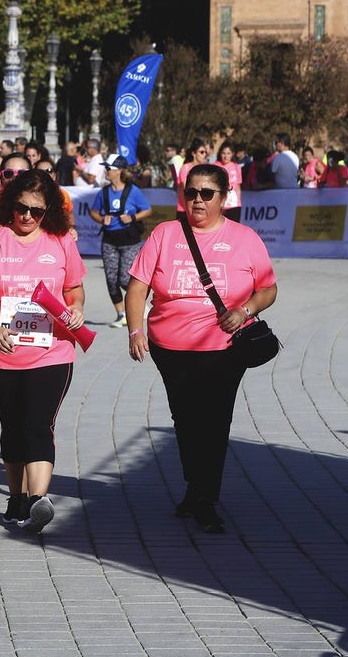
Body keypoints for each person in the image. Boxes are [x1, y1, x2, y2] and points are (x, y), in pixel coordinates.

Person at [125, 163, 277, 534]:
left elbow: (268, 288)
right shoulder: (164, 233)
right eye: (190, 192)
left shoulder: (245, 238)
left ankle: (205, 497)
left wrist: (245, 311)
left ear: (224, 198)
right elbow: (137, 288)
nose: (197, 200)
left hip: (224, 348)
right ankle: (196, 486)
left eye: (206, 194)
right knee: (186, 420)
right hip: (170, 348)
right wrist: (134, 330)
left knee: (214, 421)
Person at [0, 169, 86, 533]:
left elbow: (75, 289)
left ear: (47, 211)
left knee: (38, 423)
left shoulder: (61, 240)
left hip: (52, 352)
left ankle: (38, 501)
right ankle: (16, 496)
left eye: (36, 211)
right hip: (1, 351)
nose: (27, 216)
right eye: (20, 208)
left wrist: (77, 307)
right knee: (13, 427)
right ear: (9, 206)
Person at [89, 155, 152, 328]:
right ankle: (121, 314)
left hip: (130, 240)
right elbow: (93, 212)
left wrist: (132, 217)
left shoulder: (133, 191)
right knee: (111, 280)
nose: (106, 171)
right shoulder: (104, 192)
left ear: (119, 171)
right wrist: (102, 219)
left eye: (109, 168)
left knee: (125, 278)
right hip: (109, 240)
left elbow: (147, 210)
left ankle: (138, 302)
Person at [174, 139, 209, 222]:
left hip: (199, 210)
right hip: (184, 210)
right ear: (193, 153)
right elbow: (187, 188)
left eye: (205, 152)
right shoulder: (185, 168)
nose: (204, 155)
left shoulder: (205, 169)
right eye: (201, 152)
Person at [215, 140, 244, 222]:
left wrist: (238, 202)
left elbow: (238, 187)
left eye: (228, 153)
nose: (225, 156)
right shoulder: (215, 166)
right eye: (223, 153)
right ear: (220, 154)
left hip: (234, 205)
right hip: (220, 204)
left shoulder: (237, 167)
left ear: (232, 154)